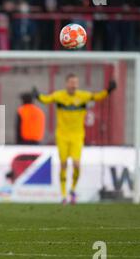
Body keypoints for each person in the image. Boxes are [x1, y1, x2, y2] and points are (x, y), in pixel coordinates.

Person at [32, 73, 116, 205]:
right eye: (71, 82)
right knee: (63, 164)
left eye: (76, 82)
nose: (74, 85)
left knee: (76, 164)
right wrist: (37, 96)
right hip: (62, 135)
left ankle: (72, 190)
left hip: (77, 136)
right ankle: (64, 195)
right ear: (66, 84)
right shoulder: (59, 95)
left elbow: (97, 96)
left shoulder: (83, 96)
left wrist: (108, 91)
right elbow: (46, 99)